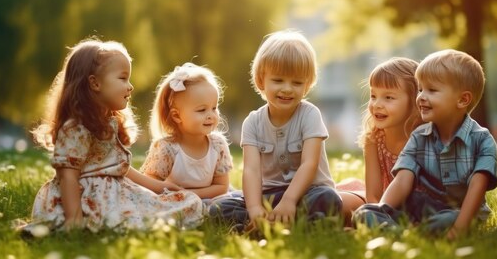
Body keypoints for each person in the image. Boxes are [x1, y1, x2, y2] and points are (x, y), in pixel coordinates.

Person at [25, 38, 202, 233]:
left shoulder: (109, 123)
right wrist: (73, 219)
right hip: (88, 198)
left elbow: (121, 168)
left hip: (116, 192)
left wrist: (160, 187)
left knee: (188, 202)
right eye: (123, 78)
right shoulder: (76, 128)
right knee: (130, 219)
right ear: (95, 83)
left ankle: (129, 220)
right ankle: (105, 224)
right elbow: (68, 177)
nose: (130, 86)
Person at [353, 49, 497, 240]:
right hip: (419, 210)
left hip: (459, 213)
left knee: (446, 219)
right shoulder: (419, 137)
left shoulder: (482, 141)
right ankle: (411, 234)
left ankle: (406, 235)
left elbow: (477, 190)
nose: (421, 96)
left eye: (431, 90)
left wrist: (459, 228)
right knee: (364, 213)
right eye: (420, 89)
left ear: (462, 99)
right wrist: (383, 210)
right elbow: (402, 180)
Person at [209, 30, 342, 231]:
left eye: (297, 82)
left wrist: (289, 200)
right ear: (262, 81)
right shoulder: (252, 122)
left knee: (328, 199)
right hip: (269, 194)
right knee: (219, 207)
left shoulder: (310, 114)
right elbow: (252, 170)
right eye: (278, 80)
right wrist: (254, 208)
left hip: (307, 192)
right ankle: (261, 222)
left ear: (306, 86)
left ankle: (283, 224)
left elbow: (310, 163)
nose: (287, 88)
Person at [337, 57, 422, 225]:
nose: (377, 104)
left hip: (415, 208)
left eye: (388, 97)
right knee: (334, 203)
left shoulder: (424, 139)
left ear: (414, 101)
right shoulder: (374, 139)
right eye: (373, 95)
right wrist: (376, 219)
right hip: (379, 204)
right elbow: (373, 195)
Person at [140, 63, 233, 202]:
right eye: (202, 110)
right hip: (178, 200)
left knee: (230, 203)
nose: (211, 115)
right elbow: (151, 186)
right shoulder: (167, 148)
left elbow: (221, 187)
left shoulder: (217, 145)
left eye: (214, 108)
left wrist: (188, 194)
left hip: (211, 199)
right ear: (177, 116)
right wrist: (179, 197)